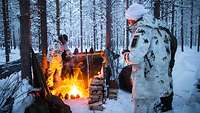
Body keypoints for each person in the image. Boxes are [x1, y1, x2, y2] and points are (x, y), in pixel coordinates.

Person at [124, 3, 174, 113]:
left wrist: (126, 55)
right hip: (159, 81)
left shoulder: (142, 30)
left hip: (146, 84)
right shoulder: (160, 28)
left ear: (134, 18)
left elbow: (135, 57)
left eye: (129, 19)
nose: (128, 22)